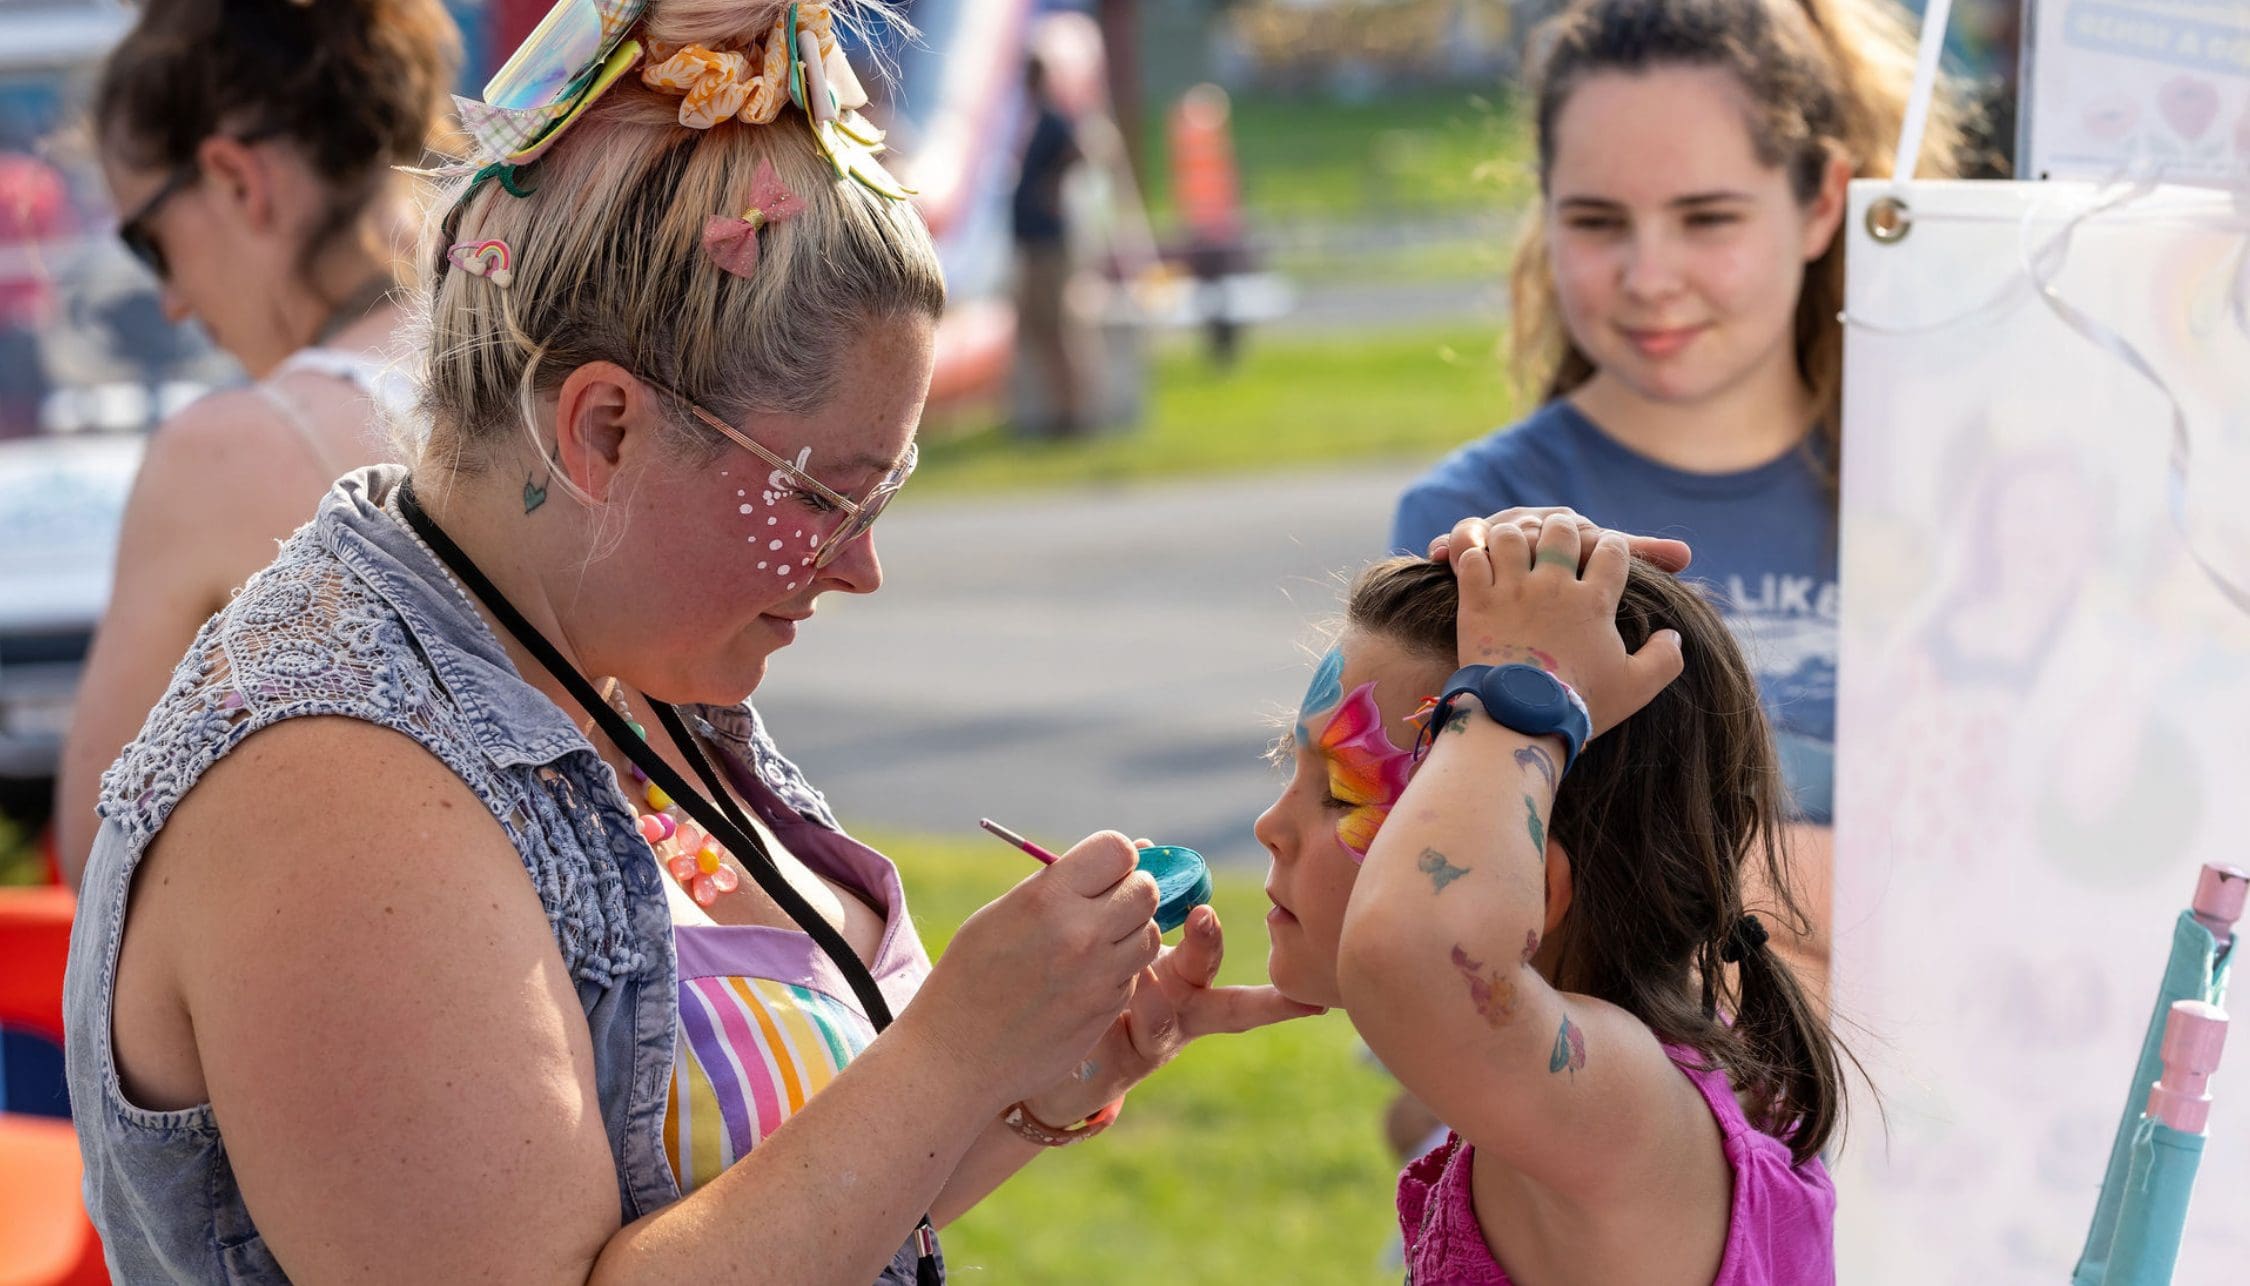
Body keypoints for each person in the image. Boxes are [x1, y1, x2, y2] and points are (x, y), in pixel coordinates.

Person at [61, 0, 1311, 1280]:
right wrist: (953, 1048)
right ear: (604, 426)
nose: (861, 564)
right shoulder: (331, 789)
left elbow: (801, 1200)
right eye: (828, 496)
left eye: (880, 503)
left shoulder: (613, 658)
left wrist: (1053, 1060)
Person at [1390, 0, 1967, 998]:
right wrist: (1825, 887)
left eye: (1707, 218)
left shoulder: (1961, 493)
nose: (1649, 276)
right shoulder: (1477, 524)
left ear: (1825, 201)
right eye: (1597, 220)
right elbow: (1438, 954)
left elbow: (2013, 890)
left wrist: (1643, 875)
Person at [1259, 514, 1840, 1281]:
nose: (1270, 828)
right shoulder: (1606, 1085)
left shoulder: (1629, 1109)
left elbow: (1414, 957)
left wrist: (1528, 686)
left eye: (1338, 792)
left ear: (1531, 889)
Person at [54, 0, 462, 884]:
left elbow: (101, 851)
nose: (170, 302)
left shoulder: (229, 451)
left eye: (150, 241)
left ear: (238, 179)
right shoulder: (557, 348)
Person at [1009, 53, 1090, 438]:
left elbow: (1079, 153)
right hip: (1032, 238)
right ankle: (1054, 407)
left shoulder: (1052, 119)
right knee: (1038, 327)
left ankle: (1072, 411)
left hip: (1047, 241)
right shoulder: (1034, 120)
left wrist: (1052, 188)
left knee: (1056, 328)